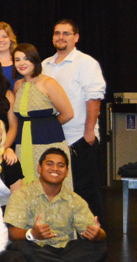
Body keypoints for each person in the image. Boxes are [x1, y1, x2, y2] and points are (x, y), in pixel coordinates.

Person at [5, 148, 119, 262]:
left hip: (64, 250)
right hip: (35, 248)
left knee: (99, 248)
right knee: (19, 248)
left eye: (61, 165)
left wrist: (98, 234)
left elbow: (94, 232)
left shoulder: (75, 200)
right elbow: (12, 233)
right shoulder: (22, 195)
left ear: (66, 172)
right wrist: (32, 234)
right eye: (49, 164)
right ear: (39, 168)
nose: (55, 169)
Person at [41, 19, 107, 222]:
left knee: (85, 190)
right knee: (57, 190)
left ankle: (94, 233)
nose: (60, 37)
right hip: (53, 139)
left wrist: (89, 133)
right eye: (57, 33)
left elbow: (94, 97)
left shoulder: (86, 63)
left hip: (78, 137)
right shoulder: (44, 65)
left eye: (66, 33)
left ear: (76, 38)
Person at [12, 43, 73, 188]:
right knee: (27, 185)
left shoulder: (48, 83)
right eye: (17, 59)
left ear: (34, 60)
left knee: (51, 184)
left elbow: (68, 113)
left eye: (26, 58)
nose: (21, 63)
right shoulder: (17, 86)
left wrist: (46, 127)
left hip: (49, 142)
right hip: (23, 143)